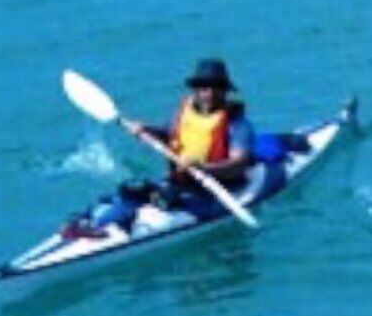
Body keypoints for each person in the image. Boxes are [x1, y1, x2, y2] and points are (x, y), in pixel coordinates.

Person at [75, 58, 266, 238]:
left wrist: (203, 168)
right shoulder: (184, 113)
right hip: (181, 184)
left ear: (224, 90)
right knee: (132, 190)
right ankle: (96, 224)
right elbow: (168, 135)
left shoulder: (236, 124)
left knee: (161, 199)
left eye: (215, 87)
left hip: (213, 191)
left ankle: (113, 230)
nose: (209, 92)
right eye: (203, 87)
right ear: (195, 89)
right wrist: (146, 129)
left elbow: (238, 164)